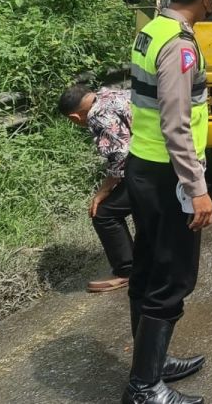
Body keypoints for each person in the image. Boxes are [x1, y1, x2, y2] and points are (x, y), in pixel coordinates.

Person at [121, 0, 212, 404]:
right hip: (170, 176)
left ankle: (151, 363)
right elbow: (176, 124)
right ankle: (144, 387)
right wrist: (197, 188)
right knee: (173, 277)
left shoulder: (152, 29)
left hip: (144, 166)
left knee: (149, 268)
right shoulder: (180, 46)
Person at [58, 83, 134, 293]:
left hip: (150, 169)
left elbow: (121, 157)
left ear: (75, 117)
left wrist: (103, 191)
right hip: (167, 156)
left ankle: (126, 271)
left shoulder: (97, 116)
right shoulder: (113, 94)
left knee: (103, 213)